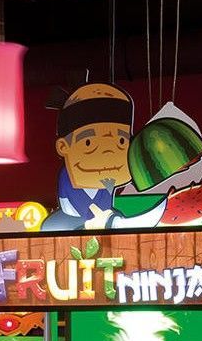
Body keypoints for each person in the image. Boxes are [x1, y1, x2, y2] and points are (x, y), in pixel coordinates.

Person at [43, 82, 135, 231]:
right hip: (71, 220)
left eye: (121, 140)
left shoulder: (110, 175)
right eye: (88, 143)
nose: (107, 153)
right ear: (63, 147)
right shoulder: (67, 177)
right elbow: (83, 207)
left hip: (105, 219)